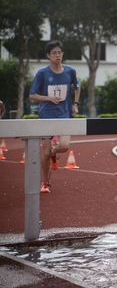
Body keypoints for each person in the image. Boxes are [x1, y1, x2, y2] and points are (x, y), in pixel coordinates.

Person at [28, 40, 81, 193]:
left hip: (64, 115)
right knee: (44, 152)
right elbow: (32, 95)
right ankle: (46, 182)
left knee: (64, 146)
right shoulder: (42, 73)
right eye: (54, 53)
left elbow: (78, 86)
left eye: (60, 52)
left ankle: (53, 154)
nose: (58, 55)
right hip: (46, 116)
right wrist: (48, 98)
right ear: (48, 56)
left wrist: (76, 104)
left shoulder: (70, 71)